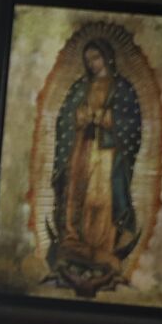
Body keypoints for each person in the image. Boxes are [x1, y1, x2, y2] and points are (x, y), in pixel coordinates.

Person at [46, 35, 143, 297]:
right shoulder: (80, 87)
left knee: (100, 199)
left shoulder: (122, 88)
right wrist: (79, 117)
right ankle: (74, 244)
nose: (92, 64)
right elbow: (65, 118)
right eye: (88, 60)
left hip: (107, 152)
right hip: (82, 148)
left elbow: (132, 123)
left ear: (107, 57)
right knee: (76, 194)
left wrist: (106, 118)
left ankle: (102, 249)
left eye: (96, 58)